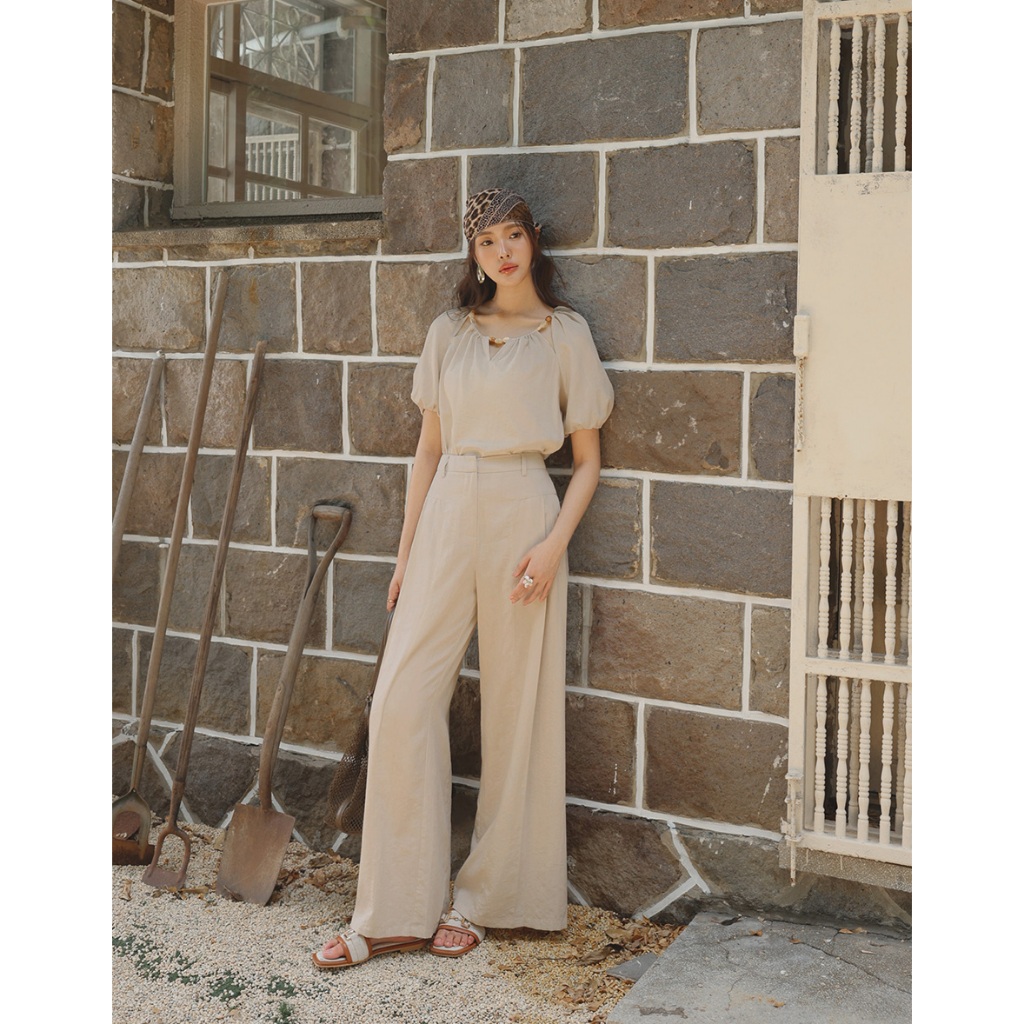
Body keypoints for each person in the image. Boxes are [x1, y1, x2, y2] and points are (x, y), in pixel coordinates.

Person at [313, 187, 615, 968]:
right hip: (448, 507)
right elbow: (427, 451)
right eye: (487, 241)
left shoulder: (564, 336)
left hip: (526, 512)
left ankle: (487, 900)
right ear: (473, 255)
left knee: (518, 709)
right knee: (400, 702)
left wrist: (552, 546)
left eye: (513, 235)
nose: (502, 252)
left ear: (533, 241)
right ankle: (392, 912)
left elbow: (587, 462)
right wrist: (406, 556)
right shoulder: (448, 333)